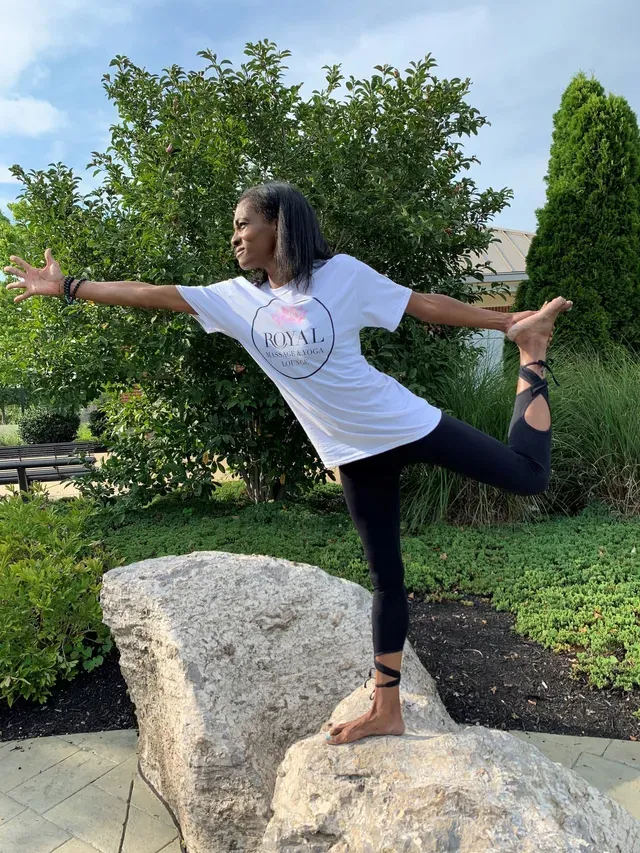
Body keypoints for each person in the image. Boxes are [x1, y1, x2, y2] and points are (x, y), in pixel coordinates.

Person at [4, 181, 572, 746]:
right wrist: (68, 287)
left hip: (404, 422)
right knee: (386, 578)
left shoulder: (341, 275)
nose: (235, 237)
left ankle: (532, 354)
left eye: (243, 224)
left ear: (279, 225)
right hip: (353, 455)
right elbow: (151, 293)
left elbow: (423, 305)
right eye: (234, 227)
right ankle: (387, 707)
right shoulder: (238, 300)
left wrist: (505, 324)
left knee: (528, 476)